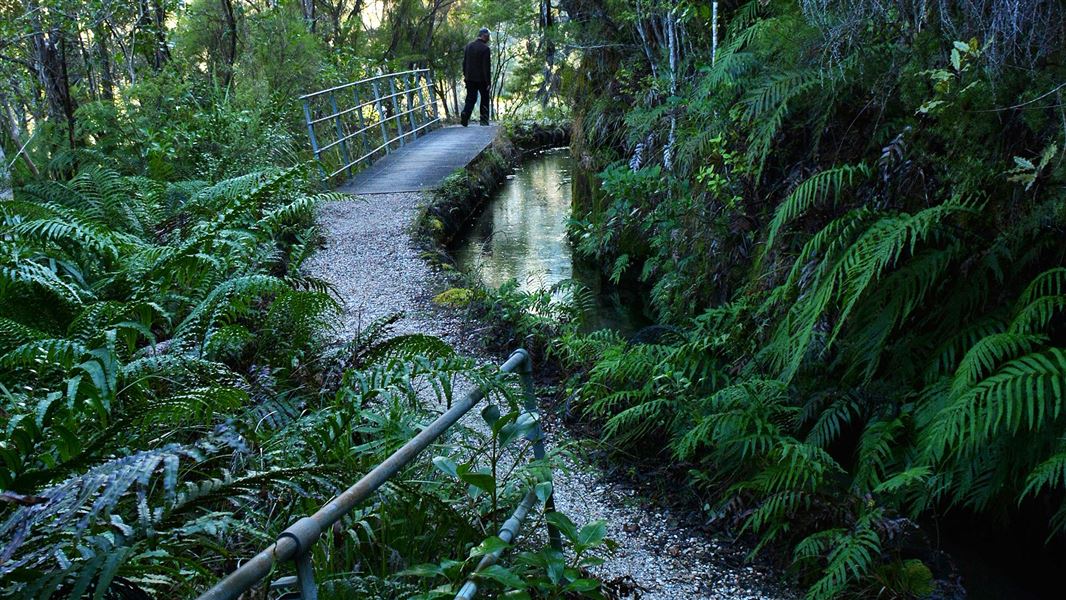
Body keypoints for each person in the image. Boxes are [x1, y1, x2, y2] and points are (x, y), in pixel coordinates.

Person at [461, 27, 492, 127]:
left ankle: (465, 114)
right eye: (488, 36)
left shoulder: (469, 46)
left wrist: (465, 76)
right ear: (484, 36)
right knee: (484, 98)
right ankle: (484, 120)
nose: (488, 38)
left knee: (470, 98)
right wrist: (488, 82)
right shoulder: (485, 49)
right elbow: (486, 67)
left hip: (469, 78)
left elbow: (464, 63)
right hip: (482, 79)